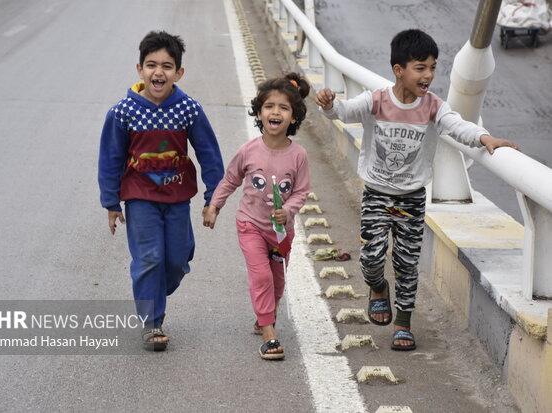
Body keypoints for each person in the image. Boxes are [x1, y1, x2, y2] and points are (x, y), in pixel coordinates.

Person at [315, 29, 519, 351]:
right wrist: (329, 105)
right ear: (399, 70)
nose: (429, 75)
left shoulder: (433, 107)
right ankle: (378, 288)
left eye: (433, 68)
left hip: (411, 198)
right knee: (371, 257)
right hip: (377, 193)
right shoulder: (376, 100)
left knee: (407, 263)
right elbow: (343, 112)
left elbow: (459, 126)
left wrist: (485, 139)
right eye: (420, 68)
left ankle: (403, 324)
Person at [98, 31, 224, 351]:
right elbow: (111, 158)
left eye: (167, 66)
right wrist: (111, 202)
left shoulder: (188, 109)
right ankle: (151, 322)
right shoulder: (123, 112)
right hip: (140, 197)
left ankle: (155, 290)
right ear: (139, 69)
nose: (159, 72)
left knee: (176, 260)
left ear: (178, 73)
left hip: (178, 197)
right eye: (151, 65)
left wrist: (214, 198)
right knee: (149, 258)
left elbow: (209, 153)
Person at [203, 73, 311, 360]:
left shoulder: (298, 155)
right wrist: (215, 205)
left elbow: (301, 191)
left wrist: (288, 210)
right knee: (261, 275)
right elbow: (230, 179)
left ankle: (264, 314)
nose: (275, 112)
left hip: (280, 233)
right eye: (269, 106)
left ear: (294, 117)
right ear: (259, 112)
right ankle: (269, 334)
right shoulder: (248, 151)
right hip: (250, 225)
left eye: (284, 108)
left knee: (277, 283)